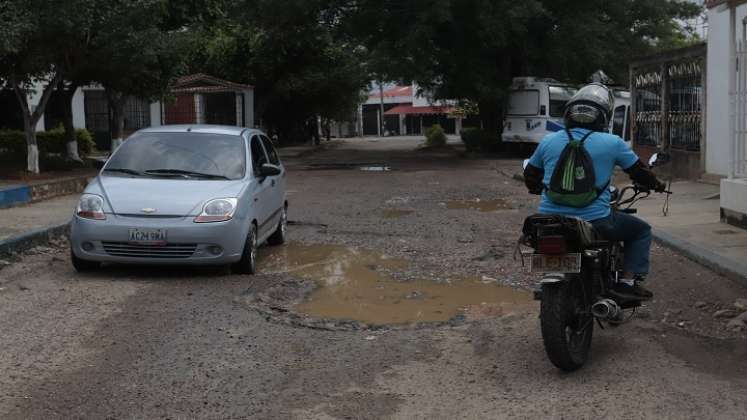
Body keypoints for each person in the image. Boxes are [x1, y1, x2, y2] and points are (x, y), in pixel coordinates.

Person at [523, 83, 666, 300]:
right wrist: (657, 184)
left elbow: (531, 175)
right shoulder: (613, 142)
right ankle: (627, 283)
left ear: (568, 114)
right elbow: (640, 173)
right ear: (604, 117)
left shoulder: (549, 140)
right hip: (595, 220)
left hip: (549, 218)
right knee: (641, 231)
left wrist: (537, 189)